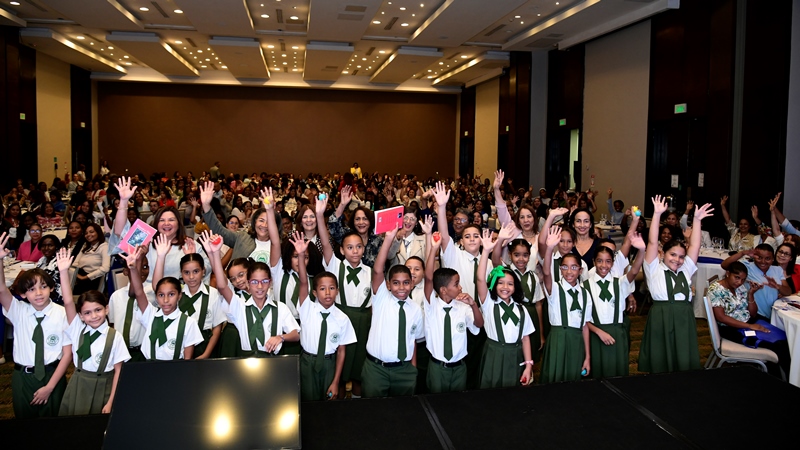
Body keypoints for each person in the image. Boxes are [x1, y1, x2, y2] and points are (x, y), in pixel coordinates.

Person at [638, 196, 714, 373]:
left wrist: (697, 220)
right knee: (660, 356)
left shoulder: (685, 269)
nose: (677, 260)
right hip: (661, 315)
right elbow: (652, 242)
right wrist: (657, 214)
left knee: (683, 356)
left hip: (683, 317)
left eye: (681, 257)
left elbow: (695, 246)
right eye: (672, 255)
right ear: (662, 253)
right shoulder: (653, 268)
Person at [0, 233, 71, 418]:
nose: (38, 293)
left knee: (54, 423)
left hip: (52, 375)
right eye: (31, 289)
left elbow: (67, 354)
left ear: (51, 288)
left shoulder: (61, 313)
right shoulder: (18, 310)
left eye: (43, 287)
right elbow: (1, 289)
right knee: (24, 424)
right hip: (23, 377)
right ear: (23, 294)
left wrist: (50, 387)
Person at [201, 232, 301, 357]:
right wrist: (215, 253)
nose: (259, 286)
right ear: (249, 282)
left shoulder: (280, 308)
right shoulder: (240, 306)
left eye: (264, 281)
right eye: (254, 282)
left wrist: (281, 337)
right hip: (247, 359)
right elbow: (222, 286)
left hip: (272, 359)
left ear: (270, 282)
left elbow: (296, 334)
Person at [434, 181, 492, 389]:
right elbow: (444, 236)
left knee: (477, 361)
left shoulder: (488, 262)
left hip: (481, 317)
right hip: (459, 316)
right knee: (460, 360)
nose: (472, 239)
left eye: (476, 235)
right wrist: (442, 208)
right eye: (467, 236)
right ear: (461, 241)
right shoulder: (454, 256)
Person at [57, 249, 130, 415]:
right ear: (81, 316)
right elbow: (68, 302)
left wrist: (111, 402)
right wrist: (63, 272)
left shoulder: (115, 337)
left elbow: (119, 371)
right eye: (87, 313)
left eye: (98, 310)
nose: (94, 316)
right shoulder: (77, 329)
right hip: (79, 384)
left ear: (106, 309)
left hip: (103, 386)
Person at [316, 194, 372, 398]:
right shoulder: (335, 266)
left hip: (363, 324)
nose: (354, 251)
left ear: (364, 248)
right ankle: (338, 404)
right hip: (340, 321)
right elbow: (325, 242)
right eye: (349, 247)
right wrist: (320, 216)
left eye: (358, 247)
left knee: (358, 371)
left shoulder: (370, 272)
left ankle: (356, 403)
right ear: (341, 250)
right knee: (339, 371)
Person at [360, 226, 424, 398]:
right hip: (376, 370)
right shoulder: (382, 298)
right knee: (373, 409)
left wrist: (413, 368)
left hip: (404, 370)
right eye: (396, 283)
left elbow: (413, 340)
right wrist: (388, 239)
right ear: (388, 285)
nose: (401, 287)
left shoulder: (415, 309)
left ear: (412, 284)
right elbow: (377, 270)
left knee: (402, 410)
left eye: (406, 283)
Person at [419, 221, 482, 393]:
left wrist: (473, 305)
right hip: (437, 367)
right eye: (456, 284)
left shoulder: (463, 306)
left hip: (460, 367)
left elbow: (479, 324)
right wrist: (434, 249)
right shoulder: (432, 305)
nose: (460, 288)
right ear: (443, 290)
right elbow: (429, 278)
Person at [293, 234, 356, 401]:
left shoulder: (342, 318)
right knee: (307, 403)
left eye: (332, 288)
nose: (327, 293)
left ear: (337, 291)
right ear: (314, 293)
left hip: (329, 364)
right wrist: (301, 255)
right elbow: (303, 282)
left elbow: (342, 351)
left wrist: (336, 381)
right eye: (322, 289)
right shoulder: (307, 309)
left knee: (329, 404)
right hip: (307, 362)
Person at [708, 261, 792, 378]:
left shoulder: (739, 288)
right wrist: (750, 326)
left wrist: (751, 294)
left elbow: (752, 314)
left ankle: (783, 376)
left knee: (785, 339)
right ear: (727, 273)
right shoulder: (716, 289)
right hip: (731, 328)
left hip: (748, 322)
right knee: (777, 346)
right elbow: (721, 317)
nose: (739, 282)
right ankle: (783, 379)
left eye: (743, 279)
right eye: (736, 277)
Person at [476, 227, 535, 388]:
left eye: (510, 284)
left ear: (515, 287)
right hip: (494, 354)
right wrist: (486, 251)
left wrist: (528, 365)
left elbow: (525, 338)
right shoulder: (489, 303)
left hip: (515, 356)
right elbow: (480, 279)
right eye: (500, 283)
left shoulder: (521, 309)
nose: (505, 287)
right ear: (494, 285)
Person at [152, 235, 226, 359]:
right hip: (179, 345)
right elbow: (157, 287)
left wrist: (206, 354)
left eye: (196, 271)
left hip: (205, 345)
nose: (191, 277)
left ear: (203, 271)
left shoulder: (213, 294)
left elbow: (217, 328)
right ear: (181, 273)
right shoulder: (176, 293)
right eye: (186, 272)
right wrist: (161, 256)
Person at [124, 247, 204, 361]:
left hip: (176, 367)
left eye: (171, 294)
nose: (166, 300)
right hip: (150, 367)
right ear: (156, 297)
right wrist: (133, 269)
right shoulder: (151, 315)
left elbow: (188, 359)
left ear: (179, 296)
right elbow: (139, 292)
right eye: (161, 295)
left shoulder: (188, 322)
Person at [585, 233, 646, 378]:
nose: (603, 265)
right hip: (596, 333)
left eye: (608, 261)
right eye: (599, 261)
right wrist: (599, 332)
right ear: (594, 262)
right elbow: (583, 319)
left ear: (612, 263)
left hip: (617, 332)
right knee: (598, 372)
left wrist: (642, 250)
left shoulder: (620, 283)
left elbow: (634, 271)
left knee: (618, 371)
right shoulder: (584, 286)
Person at [539, 225, 592, 383]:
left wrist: (588, 356)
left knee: (572, 378)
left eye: (574, 267)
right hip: (558, 338)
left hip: (576, 340)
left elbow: (585, 326)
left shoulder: (585, 294)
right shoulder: (555, 289)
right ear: (560, 269)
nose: (569, 271)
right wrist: (550, 248)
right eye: (565, 267)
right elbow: (546, 273)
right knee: (554, 377)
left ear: (580, 271)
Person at [492, 236, 546, 361]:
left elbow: (538, 305)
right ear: (510, 255)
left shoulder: (533, 276)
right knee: (515, 353)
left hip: (532, 316)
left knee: (531, 354)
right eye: (516, 255)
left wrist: (541, 333)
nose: (521, 259)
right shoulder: (506, 272)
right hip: (513, 315)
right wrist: (500, 240)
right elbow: (495, 261)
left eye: (525, 255)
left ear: (529, 256)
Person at [721, 244, 791, 320]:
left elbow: (788, 292)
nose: (763, 261)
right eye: (759, 258)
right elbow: (724, 265)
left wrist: (778, 286)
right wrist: (742, 253)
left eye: (767, 258)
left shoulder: (777, 270)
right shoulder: (747, 267)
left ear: (773, 259)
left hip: (774, 313)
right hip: (754, 314)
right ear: (754, 256)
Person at [107, 255, 156, 362]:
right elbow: (112, 323)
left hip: (142, 351)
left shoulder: (152, 294)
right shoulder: (116, 296)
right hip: (120, 350)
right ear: (125, 271)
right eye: (135, 267)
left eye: (145, 267)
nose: (141, 271)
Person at [71, 223, 110, 295]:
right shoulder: (86, 246)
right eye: (86, 233)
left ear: (98, 232)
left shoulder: (104, 246)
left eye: (91, 232)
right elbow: (75, 263)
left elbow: (105, 268)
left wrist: (85, 277)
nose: (88, 235)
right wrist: (76, 275)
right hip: (79, 276)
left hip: (92, 279)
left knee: (67, 291)